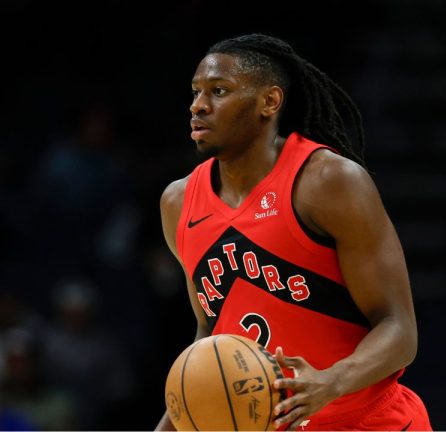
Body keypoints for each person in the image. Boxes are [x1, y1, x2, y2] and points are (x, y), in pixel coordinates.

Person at [156, 33, 431, 431]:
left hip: (368, 421)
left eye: (219, 91)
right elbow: (212, 333)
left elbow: (400, 330)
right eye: (196, 92)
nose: (198, 105)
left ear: (269, 102)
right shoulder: (178, 204)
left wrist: (329, 382)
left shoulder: (327, 182)